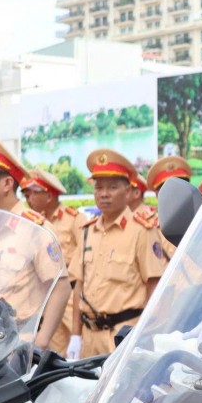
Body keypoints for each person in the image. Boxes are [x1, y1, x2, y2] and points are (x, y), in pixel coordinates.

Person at [0, 134, 71, 351]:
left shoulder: (34, 229)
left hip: (21, 342)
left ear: (6, 183)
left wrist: (41, 341)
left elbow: (61, 288)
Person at [68, 149, 166, 360]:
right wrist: (75, 335)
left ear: (128, 191)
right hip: (89, 338)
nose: (104, 194)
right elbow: (79, 287)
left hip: (124, 336)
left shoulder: (142, 231)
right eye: (99, 187)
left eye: (112, 187)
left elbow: (154, 288)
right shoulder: (86, 232)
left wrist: (145, 335)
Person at [22, 169, 80, 356]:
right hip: (42, 296)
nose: (29, 198)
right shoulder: (32, 222)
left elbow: (84, 259)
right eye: (28, 194)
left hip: (68, 295)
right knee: (47, 352)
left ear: (48, 196)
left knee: (69, 352)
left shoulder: (74, 219)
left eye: (34, 193)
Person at [146, 155, 193, 259]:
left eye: (180, 187)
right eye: (167, 189)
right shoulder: (148, 228)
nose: (175, 193)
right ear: (157, 195)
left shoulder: (200, 223)